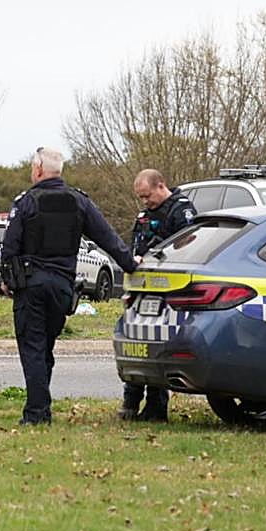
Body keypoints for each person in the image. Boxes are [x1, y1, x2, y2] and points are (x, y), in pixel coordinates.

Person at [0, 147, 136, 425]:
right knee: (45, 346)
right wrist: (132, 264)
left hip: (32, 285)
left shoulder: (26, 202)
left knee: (33, 348)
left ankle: (37, 413)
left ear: (38, 169)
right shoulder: (79, 202)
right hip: (62, 287)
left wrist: (7, 279)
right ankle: (41, 407)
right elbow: (107, 237)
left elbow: (10, 245)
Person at [119, 169, 197, 421]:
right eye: (140, 198)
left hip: (165, 290)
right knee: (136, 345)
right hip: (142, 289)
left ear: (161, 185)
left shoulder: (181, 210)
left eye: (147, 196)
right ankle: (130, 403)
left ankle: (155, 408)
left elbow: (189, 245)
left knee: (157, 348)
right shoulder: (145, 214)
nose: (145, 202)